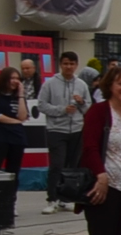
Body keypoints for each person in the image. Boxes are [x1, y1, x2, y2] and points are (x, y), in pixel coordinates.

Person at [36, 58, 91, 212]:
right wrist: (61, 110)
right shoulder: (49, 84)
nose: (69, 67)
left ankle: (66, 198)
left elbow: (89, 109)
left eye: (72, 64)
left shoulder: (82, 85)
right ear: (60, 65)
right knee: (57, 165)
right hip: (56, 130)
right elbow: (42, 105)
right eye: (66, 64)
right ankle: (52, 199)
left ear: (76, 65)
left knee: (72, 166)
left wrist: (82, 103)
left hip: (77, 130)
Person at [0, 66, 29, 176]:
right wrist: (16, 121)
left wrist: (21, 95)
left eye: (17, 78)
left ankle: (12, 187)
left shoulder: (18, 98)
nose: (15, 81)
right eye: (12, 78)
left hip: (17, 138)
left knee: (14, 170)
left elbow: (23, 117)